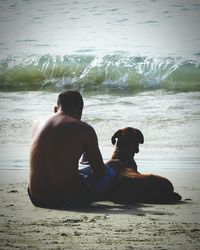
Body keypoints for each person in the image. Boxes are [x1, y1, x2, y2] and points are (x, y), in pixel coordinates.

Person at [28, 90, 118, 209]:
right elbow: (100, 173)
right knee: (110, 173)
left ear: (56, 109)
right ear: (80, 111)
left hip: (36, 198)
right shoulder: (84, 129)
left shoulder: (37, 122)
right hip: (67, 200)